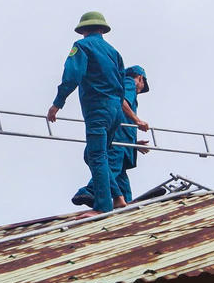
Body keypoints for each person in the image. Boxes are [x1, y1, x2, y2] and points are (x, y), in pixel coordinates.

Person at [47, 11, 125, 215]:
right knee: (95, 155)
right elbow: (122, 82)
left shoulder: (82, 46)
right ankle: (117, 197)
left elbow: (72, 75)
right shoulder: (114, 52)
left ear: (83, 30)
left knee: (96, 155)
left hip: (98, 108)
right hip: (116, 109)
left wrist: (58, 103)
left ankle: (102, 206)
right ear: (102, 29)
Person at [72, 65, 151, 209]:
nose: (140, 89)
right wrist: (137, 120)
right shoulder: (129, 83)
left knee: (120, 177)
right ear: (140, 78)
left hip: (123, 140)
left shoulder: (125, 85)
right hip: (118, 140)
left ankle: (125, 202)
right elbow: (122, 102)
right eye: (142, 85)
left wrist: (134, 143)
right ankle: (90, 191)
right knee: (112, 166)